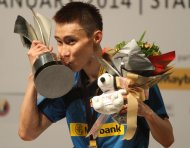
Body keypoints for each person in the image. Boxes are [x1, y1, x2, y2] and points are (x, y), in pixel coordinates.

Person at [18, 1, 174, 148]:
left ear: (96, 37)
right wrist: (36, 74)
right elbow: (28, 133)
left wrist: (146, 112)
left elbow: (168, 140)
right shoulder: (67, 81)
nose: (63, 52)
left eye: (71, 41)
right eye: (59, 42)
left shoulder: (131, 72)